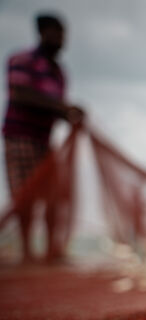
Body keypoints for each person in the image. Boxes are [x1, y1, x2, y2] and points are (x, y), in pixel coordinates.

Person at [2, 13, 84, 263]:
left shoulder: (59, 72)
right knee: (24, 195)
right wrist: (62, 108)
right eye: (56, 33)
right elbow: (20, 94)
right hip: (20, 138)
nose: (61, 40)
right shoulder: (22, 60)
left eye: (63, 35)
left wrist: (70, 114)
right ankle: (27, 252)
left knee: (53, 197)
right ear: (42, 33)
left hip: (44, 141)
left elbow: (55, 108)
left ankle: (51, 251)